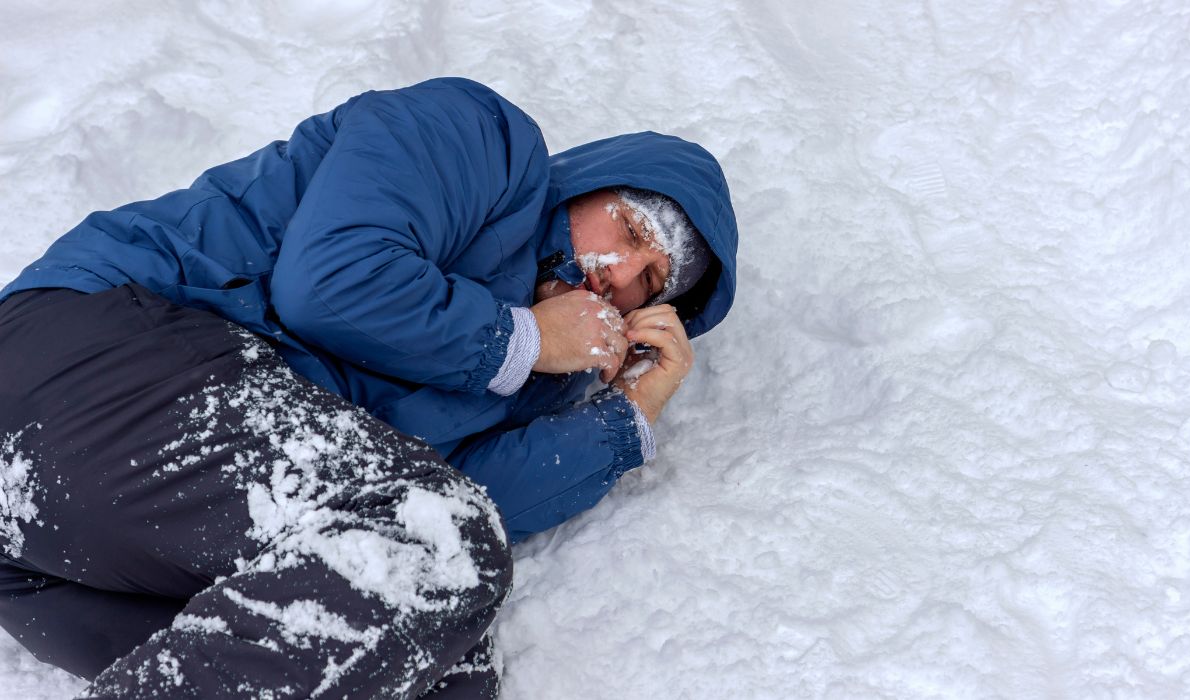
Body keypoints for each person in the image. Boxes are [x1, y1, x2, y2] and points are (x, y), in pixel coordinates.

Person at [0, 77, 738, 698]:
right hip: (87, 357)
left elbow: (460, 515)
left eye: (648, 285)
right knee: (435, 534)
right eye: (634, 231)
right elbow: (328, 283)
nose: (619, 275)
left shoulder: (521, 382)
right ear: (594, 181)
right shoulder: (486, 144)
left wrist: (628, 413)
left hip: (56, 560)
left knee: (445, 664)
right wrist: (530, 341)